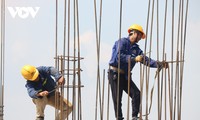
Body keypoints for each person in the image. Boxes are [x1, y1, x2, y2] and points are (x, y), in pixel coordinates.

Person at [108, 24, 168, 120]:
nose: (140, 38)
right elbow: (119, 57)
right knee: (117, 98)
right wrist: (134, 58)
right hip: (115, 73)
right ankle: (119, 118)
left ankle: (134, 117)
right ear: (134, 33)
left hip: (125, 75)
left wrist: (159, 64)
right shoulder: (122, 42)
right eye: (140, 35)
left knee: (136, 93)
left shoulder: (136, 49)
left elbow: (145, 60)